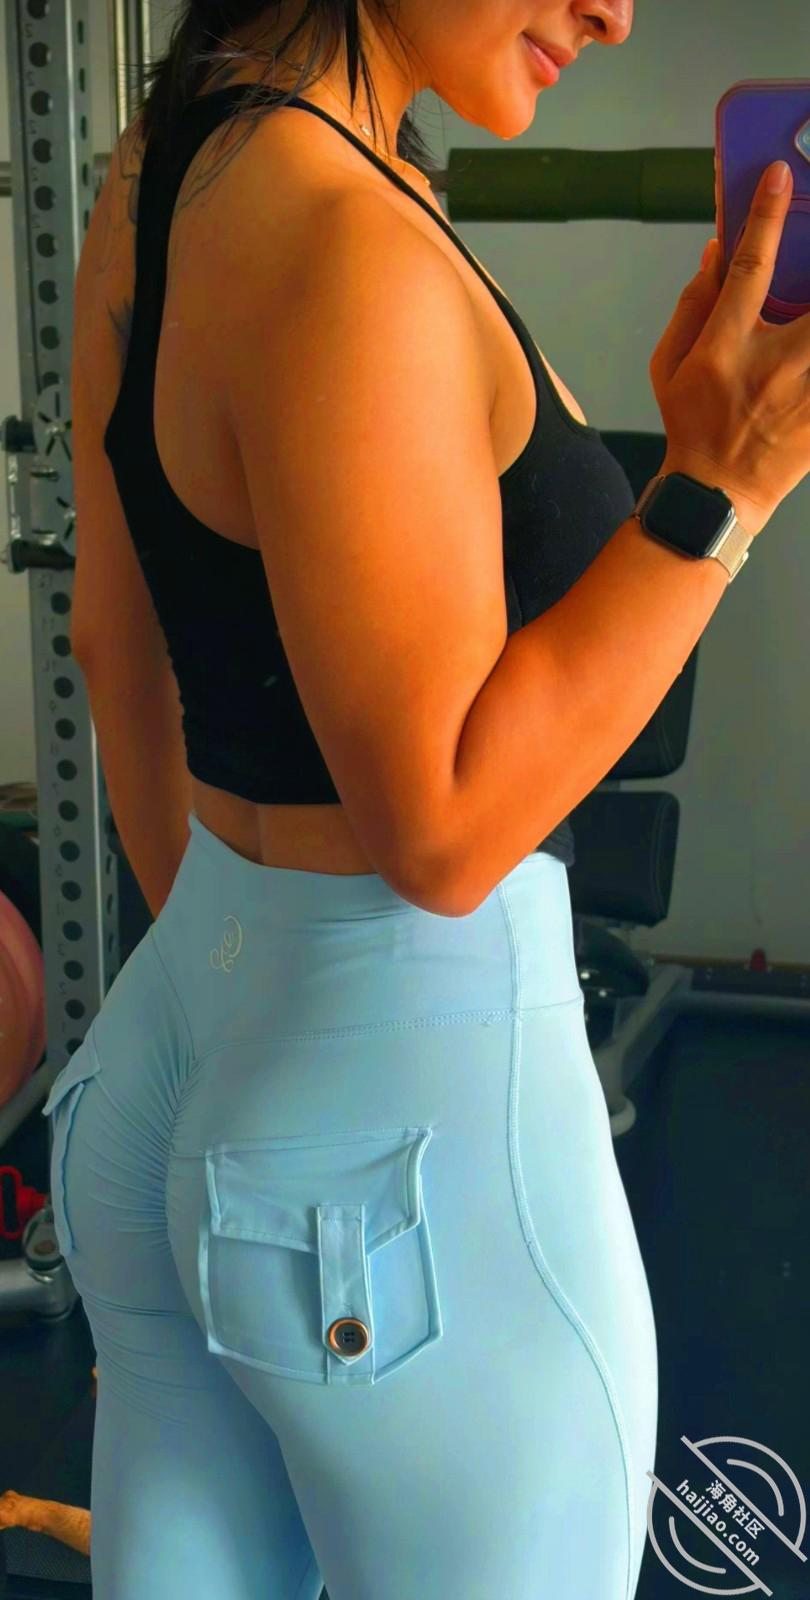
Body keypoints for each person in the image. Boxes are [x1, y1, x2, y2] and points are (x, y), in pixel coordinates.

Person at [45, 1, 807, 1596]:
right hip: (401, 1146)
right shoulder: (350, 241)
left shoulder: (161, 167)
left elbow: (117, 647)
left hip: (176, 1062)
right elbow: (444, 834)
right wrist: (721, 484)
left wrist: (252, 1012)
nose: (610, 11)